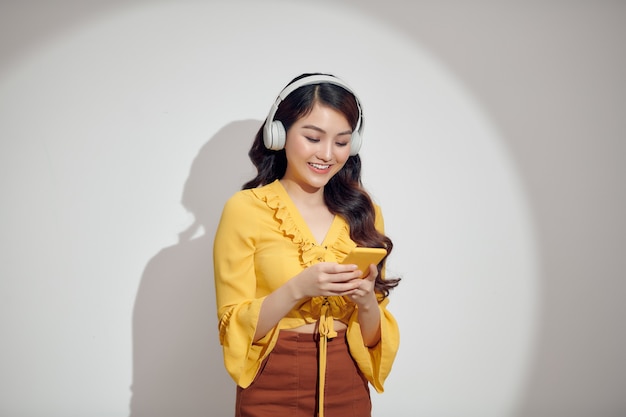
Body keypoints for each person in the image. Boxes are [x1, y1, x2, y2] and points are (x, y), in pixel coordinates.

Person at [213, 73, 400, 417]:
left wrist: (366, 304)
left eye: (342, 142)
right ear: (278, 134)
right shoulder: (245, 209)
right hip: (272, 383)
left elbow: (373, 336)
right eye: (313, 138)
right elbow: (233, 325)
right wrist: (299, 288)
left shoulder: (366, 213)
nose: (327, 154)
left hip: (348, 383)